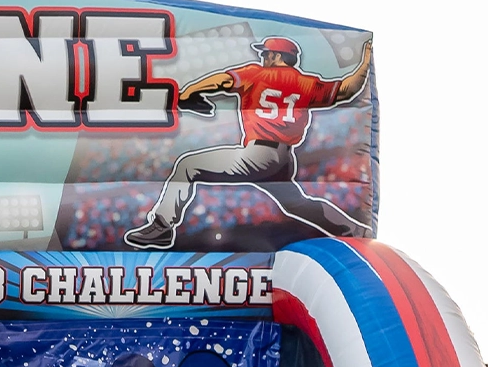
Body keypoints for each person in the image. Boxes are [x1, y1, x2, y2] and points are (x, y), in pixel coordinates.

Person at [124, 36, 374, 249]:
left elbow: (221, 81)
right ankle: (355, 230)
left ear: (277, 56)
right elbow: (347, 89)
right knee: (297, 205)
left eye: (266, 53)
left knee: (187, 166)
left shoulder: (257, 73)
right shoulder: (307, 83)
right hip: (283, 159)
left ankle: (161, 227)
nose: (263, 57)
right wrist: (364, 62)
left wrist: (190, 91)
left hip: (257, 155)